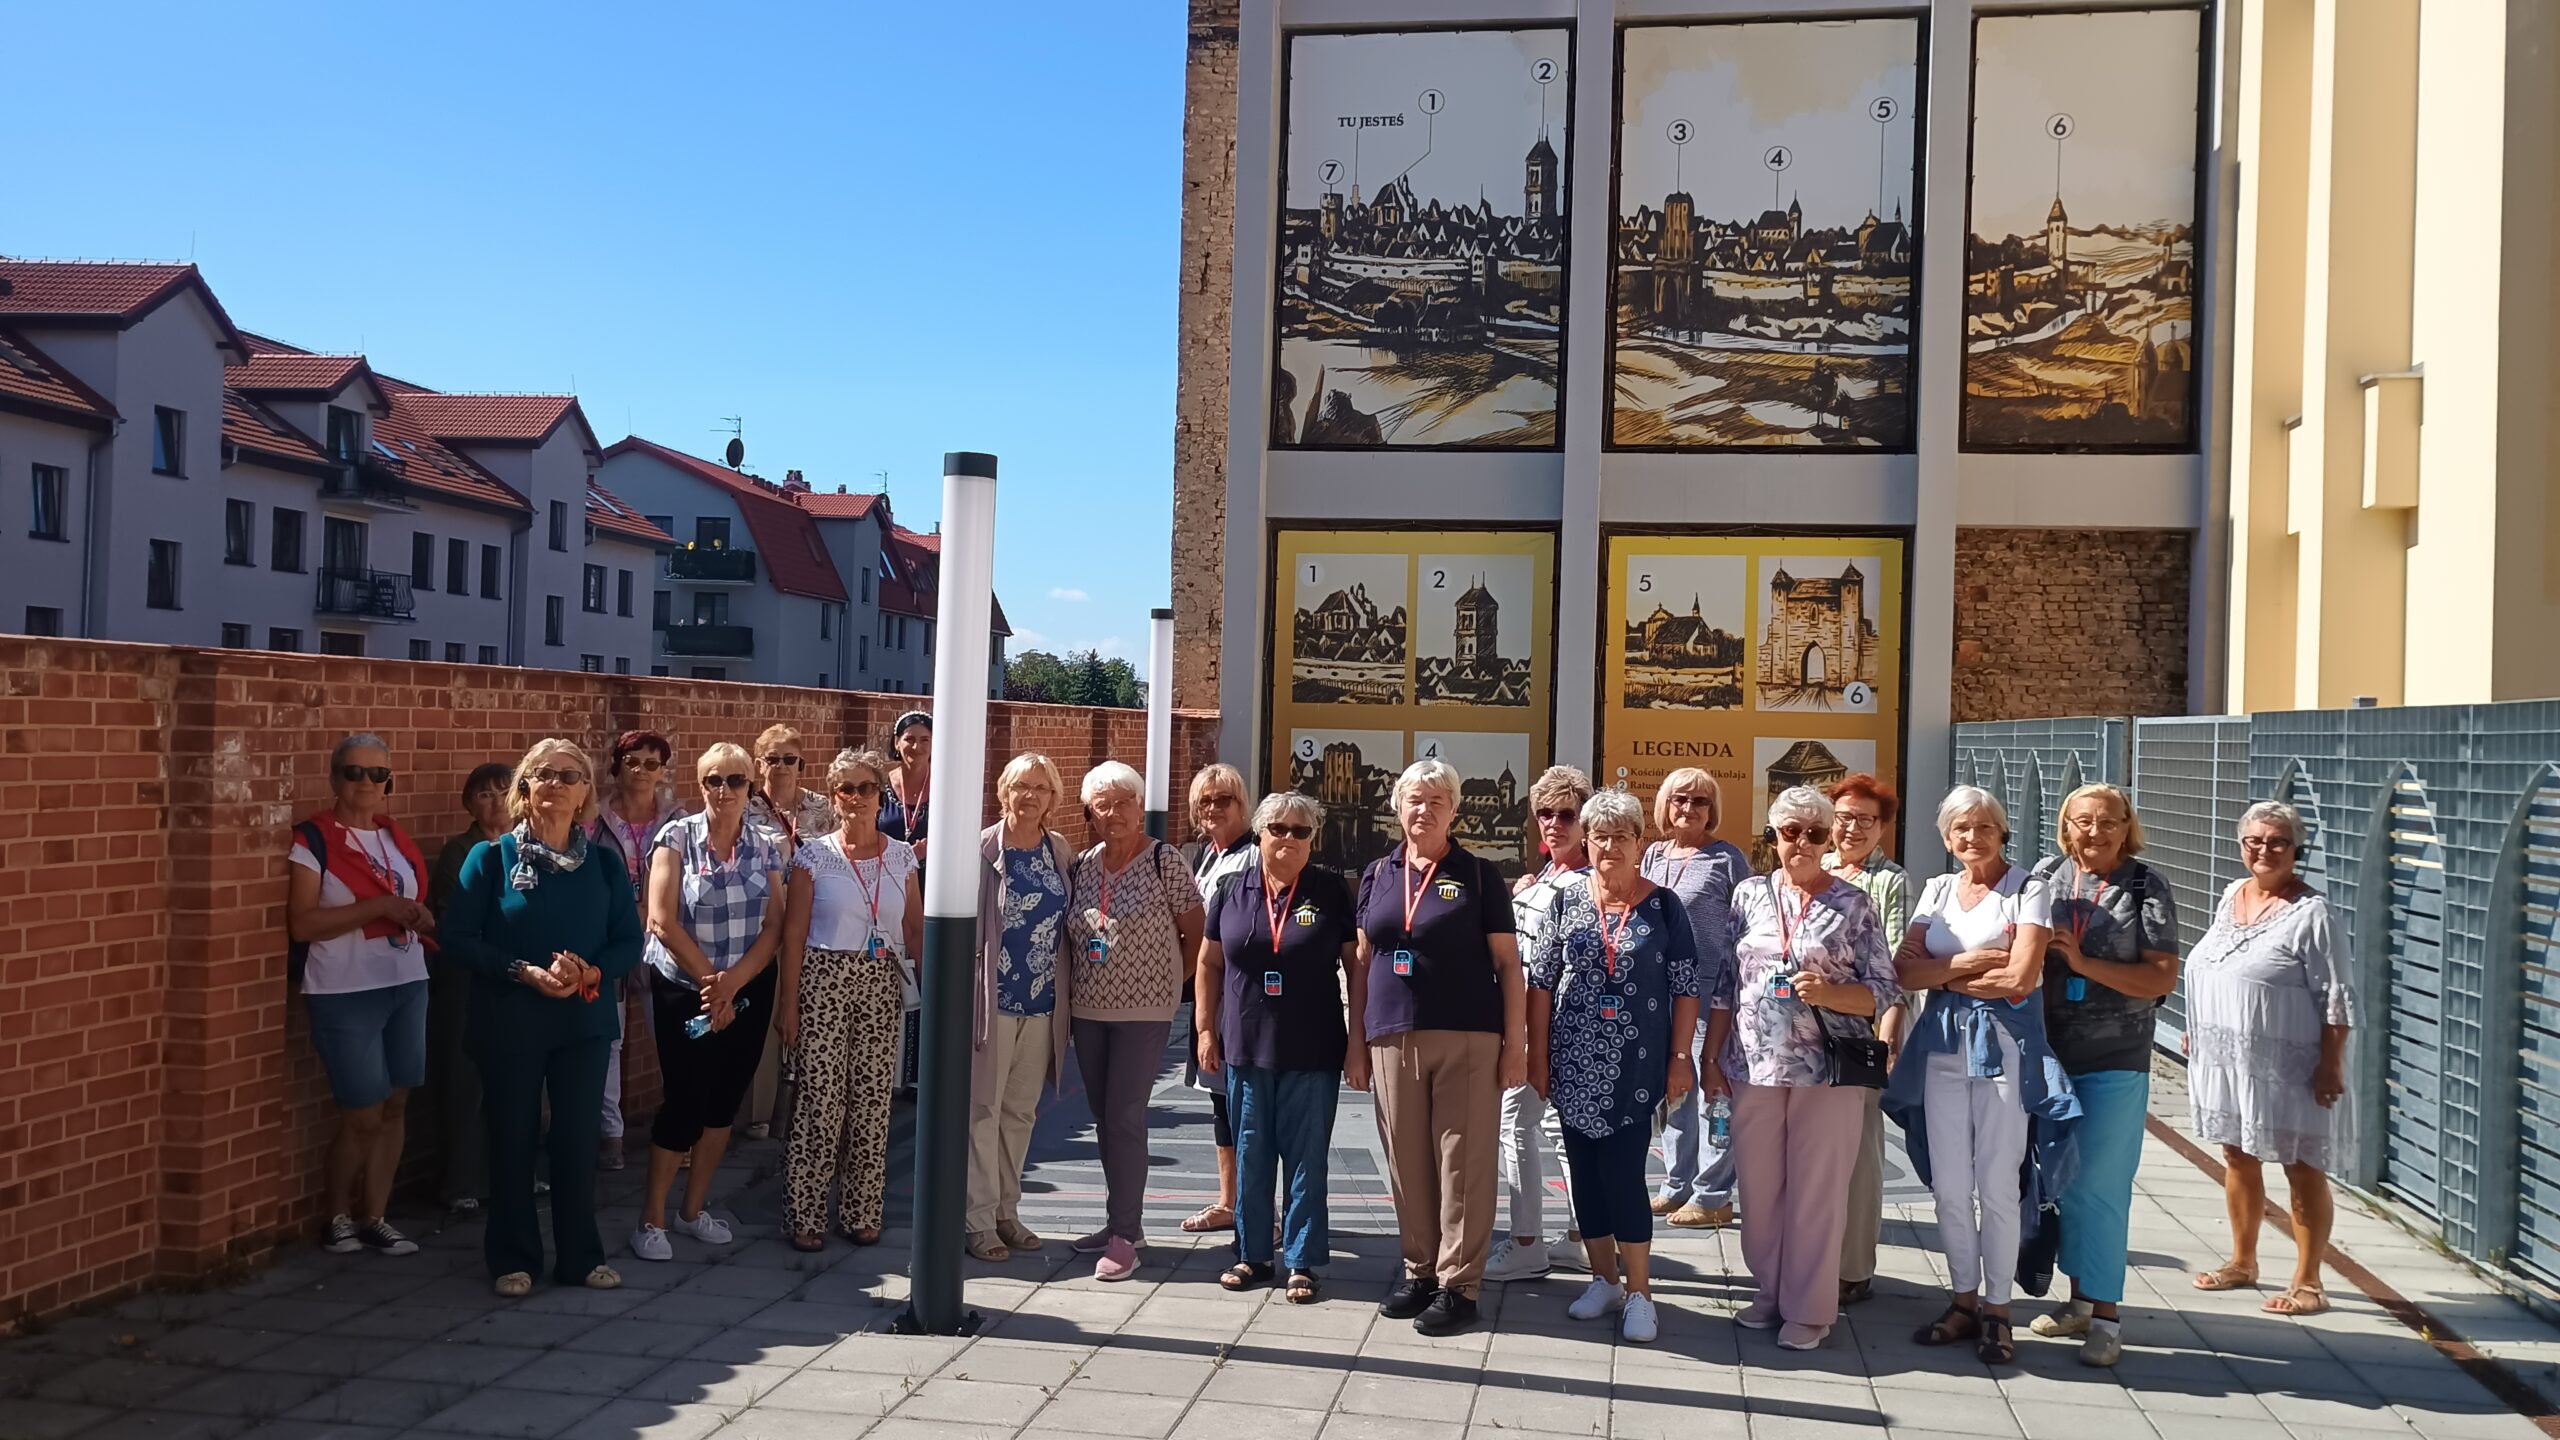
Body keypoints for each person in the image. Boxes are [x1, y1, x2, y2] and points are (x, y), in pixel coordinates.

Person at [440, 739, 641, 1296]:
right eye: (544, 774)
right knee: (512, 1139)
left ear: (585, 793)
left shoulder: (604, 863)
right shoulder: (491, 859)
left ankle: (580, 1258)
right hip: (511, 1020)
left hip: (582, 1023)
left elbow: (628, 941)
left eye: (569, 776)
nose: (556, 783)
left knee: (576, 1143)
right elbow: (457, 939)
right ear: (525, 788)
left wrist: (592, 973)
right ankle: (513, 1258)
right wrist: (520, 971)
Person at [1884, 786, 2070, 1366]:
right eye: (1961, 828)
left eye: (1984, 826)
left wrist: (1940, 974)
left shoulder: (2028, 889)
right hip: (1941, 1048)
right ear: (1946, 837)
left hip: (2005, 1051)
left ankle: (1997, 1308)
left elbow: (2020, 978)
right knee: (1948, 1184)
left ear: (2002, 831)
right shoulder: (1938, 889)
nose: (1973, 837)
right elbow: (1902, 972)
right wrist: (1963, 966)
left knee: (1997, 1181)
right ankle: (1962, 1298)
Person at [1723, 787, 1900, 1352]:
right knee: (1759, 1190)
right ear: (1772, 835)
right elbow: (1725, 980)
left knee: (1816, 1193)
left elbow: (1884, 989)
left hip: (1826, 1068)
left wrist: (1830, 993)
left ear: (1828, 841)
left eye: (1815, 833)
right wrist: (1705, 1056)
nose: (1801, 842)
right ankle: (1771, 1291)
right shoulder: (1748, 894)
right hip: (1753, 1062)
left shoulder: (1853, 903)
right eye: (1790, 831)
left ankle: (1810, 1308)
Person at [1355, 759, 1527, 1337]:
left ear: (1454, 811)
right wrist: (1355, 1041)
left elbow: (1508, 964)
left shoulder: (1479, 874)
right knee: (1406, 1161)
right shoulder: (1378, 874)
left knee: (1463, 1162)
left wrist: (1515, 1044)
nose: (1424, 810)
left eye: (1437, 801)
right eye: (1414, 799)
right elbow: (1362, 962)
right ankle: (1420, 1271)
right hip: (1391, 1035)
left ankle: (1460, 1285)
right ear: (1397, 808)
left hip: (1469, 1035)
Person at [1528, 788, 1701, 1345]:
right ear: (1586, 841)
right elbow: (1540, 982)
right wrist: (1537, 1057)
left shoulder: (1664, 907)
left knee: (1624, 1178)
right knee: (1584, 1179)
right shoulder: (1566, 902)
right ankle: (1603, 1280)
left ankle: (1641, 1293)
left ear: (1639, 843)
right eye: (1599, 837)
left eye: (1621, 837)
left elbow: (1686, 988)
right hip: (1573, 1063)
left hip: (1637, 1067)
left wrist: (1680, 1059)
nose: (1609, 847)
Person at [2024, 784, 2180, 1363]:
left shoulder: (2144, 885)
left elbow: (2160, 978)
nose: (2095, 832)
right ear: (2066, 825)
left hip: (2115, 1057)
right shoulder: (2046, 875)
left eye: (2108, 822)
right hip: (2048, 1054)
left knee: (2102, 1188)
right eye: (2083, 821)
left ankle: (2107, 1321)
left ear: (2126, 827)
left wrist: (2083, 963)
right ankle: (2079, 1301)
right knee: (2062, 1183)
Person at [2187, 799, 2353, 1320]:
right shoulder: (2230, 894)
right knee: (2237, 1154)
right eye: (2254, 841)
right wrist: (2198, 1028)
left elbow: (2337, 996)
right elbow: (2216, 969)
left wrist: (2331, 1064)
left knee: (2300, 1164)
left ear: (2296, 849)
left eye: (2278, 842)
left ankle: (2309, 1281)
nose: (2264, 850)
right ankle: (2243, 1261)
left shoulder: (2313, 914)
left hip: (2290, 1063)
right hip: (2229, 1057)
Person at [1196, 791, 1361, 1303]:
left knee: (1307, 1156)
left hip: (1313, 1046)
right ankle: (1252, 1255)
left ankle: (1302, 1260)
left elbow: (1356, 968)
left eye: (1300, 831)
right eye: (1278, 829)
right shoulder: (1231, 888)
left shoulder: (1330, 890)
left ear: (1313, 839)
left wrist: (1358, 1040)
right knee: (1251, 1151)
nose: (1288, 838)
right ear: (1260, 833)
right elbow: (1208, 963)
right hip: (1245, 1046)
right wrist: (1205, 1030)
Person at [634, 742, 787, 1261]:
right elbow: (661, 918)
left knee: (725, 1098)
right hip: (685, 988)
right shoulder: (675, 837)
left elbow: (775, 924)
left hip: (746, 988)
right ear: (700, 785)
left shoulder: (767, 844)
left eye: (736, 780)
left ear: (750, 787)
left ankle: (693, 1210)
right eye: (713, 780)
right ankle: (651, 1219)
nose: (724, 790)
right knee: (685, 1097)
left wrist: (733, 983)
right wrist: (711, 983)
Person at [287, 733, 435, 1258]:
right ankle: (336, 1216)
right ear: (335, 778)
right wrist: (379, 908)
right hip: (344, 989)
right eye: (354, 772)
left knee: (396, 1104)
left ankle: (376, 1216)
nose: (366, 783)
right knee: (362, 1113)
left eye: (378, 774)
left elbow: (408, 899)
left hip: (405, 980)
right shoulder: (313, 840)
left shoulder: (395, 837)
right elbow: (303, 924)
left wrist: (416, 914)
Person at [1064, 761, 1206, 1281]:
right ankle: (1121, 1221)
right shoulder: (1083, 865)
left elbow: (1196, 932)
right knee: (1104, 1117)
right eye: (1103, 804)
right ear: (1090, 812)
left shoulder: (1165, 860)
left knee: (1125, 1115)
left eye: (1124, 801)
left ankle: (1125, 1236)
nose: (1114, 812)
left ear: (1140, 806)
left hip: (1144, 1013)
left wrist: (1168, 984)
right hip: (1088, 1009)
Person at [778, 749, 922, 1251]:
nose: (857, 798)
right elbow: (793, 936)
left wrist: (933, 994)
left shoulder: (901, 857)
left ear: (881, 795)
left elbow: (914, 929)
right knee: (819, 1100)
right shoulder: (814, 857)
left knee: (872, 1101)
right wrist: (788, 1006)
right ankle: (805, 1214)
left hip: (880, 981)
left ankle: (862, 1210)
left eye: (866, 788)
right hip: (823, 980)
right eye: (847, 789)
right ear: (834, 796)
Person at [1488, 764, 1596, 1285]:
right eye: (1545, 814)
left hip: (1549, 1023)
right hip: (1536, 1018)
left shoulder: (1583, 882)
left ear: (1585, 821)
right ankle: (1581, 1237)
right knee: (1555, 1128)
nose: (1554, 824)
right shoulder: (1547, 876)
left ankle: (1528, 1242)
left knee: (1517, 1125)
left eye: (1566, 815)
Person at [969, 753, 1077, 1261]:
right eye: (1021, 786)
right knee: (982, 1110)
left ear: (1053, 798)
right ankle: (977, 1219)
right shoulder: (982, 849)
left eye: (1041, 788)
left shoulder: (1059, 850)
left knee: (1020, 1113)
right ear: (1003, 792)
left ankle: (1006, 1211)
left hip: (1042, 1003)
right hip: (991, 1001)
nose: (1030, 796)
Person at [1823, 772, 1914, 1306]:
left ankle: (1853, 1268)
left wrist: (1888, 1039)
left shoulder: (1890, 881)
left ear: (1883, 827)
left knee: (1859, 1156)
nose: (1852, 829)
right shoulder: (1816, 865)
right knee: (1815, 1154)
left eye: (1865, 820)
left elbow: (1894, 969)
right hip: (1805, 1035)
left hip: (1860, 1033)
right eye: (1844, 817)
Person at [1644, 768, 1748, 1230]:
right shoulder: (1652, 855)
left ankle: (1713, 1193)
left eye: (1700, 801)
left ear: (1712, 810)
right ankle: (1677, 1184)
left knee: (1714, 1094)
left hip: (1711, 992)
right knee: (1674, 1090)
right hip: (1661, 991)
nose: (1689, 808)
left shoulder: (1727, 859)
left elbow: (1747, 927)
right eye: (1680, 799)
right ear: (1665, 805)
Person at [425, 762, 513, 1215]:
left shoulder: (529, 845)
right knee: (465, 1082)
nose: (496, 802)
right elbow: (460, 915)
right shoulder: (459, 852)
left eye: (503, 791)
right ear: (469, 805)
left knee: (516, 1082)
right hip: (469, 978)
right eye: (484, 794)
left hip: (517, 978)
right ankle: (461, 1182)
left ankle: (514, 1173)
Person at [742, 723, 835, 1139]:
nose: (781, 766)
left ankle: (807, 1107)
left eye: (789, 759)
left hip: (814, 922)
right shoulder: (744, 806)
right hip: (760, 922)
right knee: (764, 1013)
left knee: (807, 1009)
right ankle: (760, 1113)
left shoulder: (821, 807)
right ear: (759, 763)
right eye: (772, 758)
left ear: (802, 764)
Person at [591, 730, 679, 1172]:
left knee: (672, 1034)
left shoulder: (678, 821)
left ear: (662, 771)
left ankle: (678, 1130)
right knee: (611, 1037)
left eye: (651, 763)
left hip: (662, 939)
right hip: (610, 938)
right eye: (632, 762)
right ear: (617, 767)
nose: (642, 771)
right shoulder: (594, 818)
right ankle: (610, 1135)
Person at [1182, 762, 1258, 1236]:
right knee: (1220, 1100)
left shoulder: (1254, 855)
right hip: (1210, 992)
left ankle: (1255, 1206)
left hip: (1244, 995)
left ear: (1242, 805)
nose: (1213, 808)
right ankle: (1229, 1201)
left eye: (1224, 799)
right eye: (1205, 801)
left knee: (1249, 1102)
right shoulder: (1204, 857)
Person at [880, 710, 933, 865]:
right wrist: (909, 855)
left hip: (935, 875)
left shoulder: (945, 789)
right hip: (888, 872)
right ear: (897, 742)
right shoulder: (880, 786)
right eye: (909, 739)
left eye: (925, 740)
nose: (917, 747)